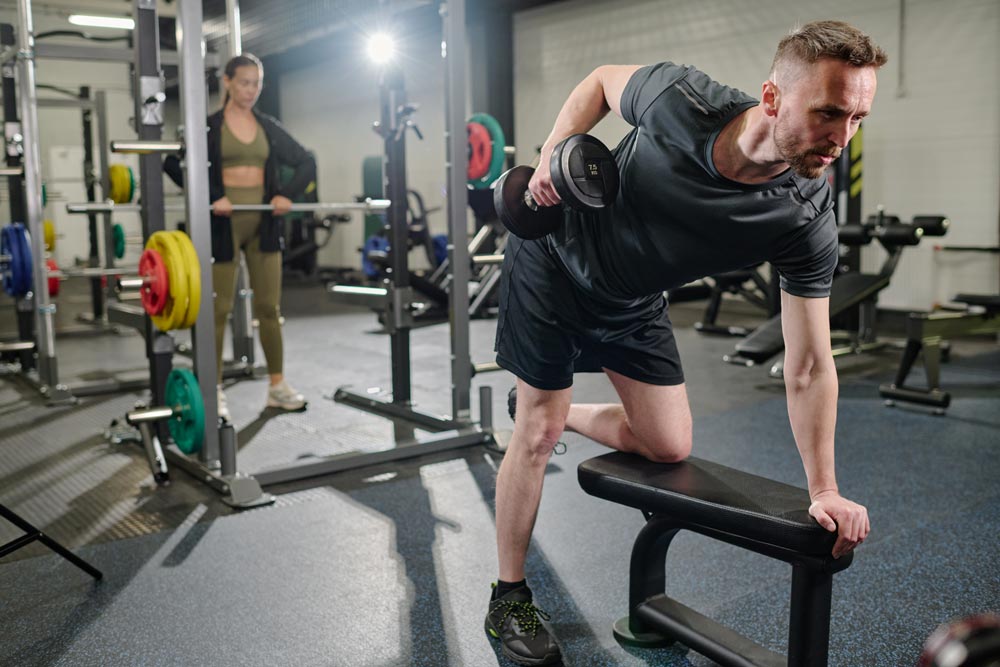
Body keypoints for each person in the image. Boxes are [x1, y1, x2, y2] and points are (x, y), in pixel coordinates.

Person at [486, 20, 886, 666]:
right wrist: (557, 153)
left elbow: (810, 363)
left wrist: (825, 487)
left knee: (670, 443)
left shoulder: (806, 212)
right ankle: (507, 595)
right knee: (536, 432)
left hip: (635, 299)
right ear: (774, 98)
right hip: (555, 261)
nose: (842, 139)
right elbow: (597, 83)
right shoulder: (681, 101)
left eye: (859, 118)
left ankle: (555, 412)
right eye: (830, 114)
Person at [166, 53, 315, 420]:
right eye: (245, 82)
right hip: (223, 225)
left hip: (263, 224)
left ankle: (277, 386)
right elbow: (173, 162)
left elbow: (307, 161)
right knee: (218, 310)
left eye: (257, 84)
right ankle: (212, 389)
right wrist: (209, 196)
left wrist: (287, 195)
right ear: (228, 82)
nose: (251, 90)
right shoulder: (208, 127)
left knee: (269, 308)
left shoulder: (267, 126)